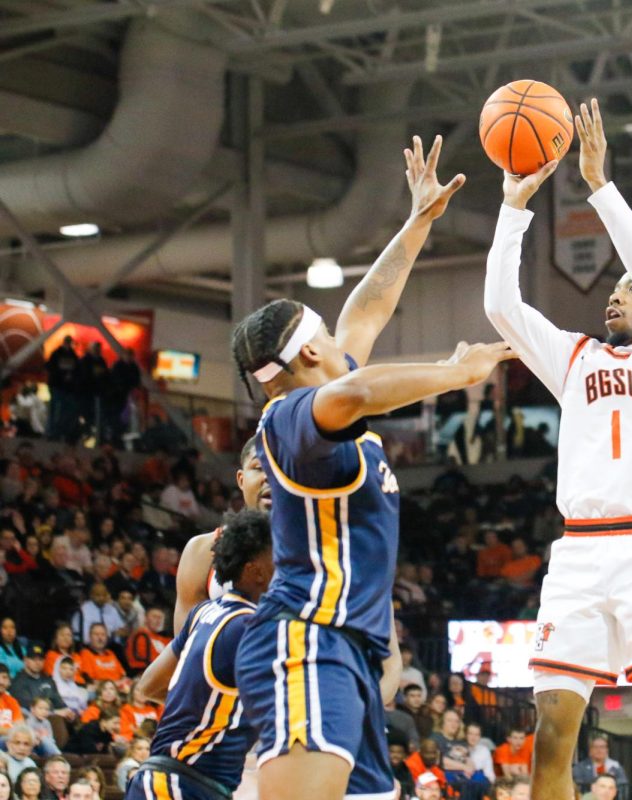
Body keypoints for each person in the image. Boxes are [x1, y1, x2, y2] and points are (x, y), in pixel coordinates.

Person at [231, 134, 511, 800]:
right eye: (320, 328)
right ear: (304, 357)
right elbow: (354, 391)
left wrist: (417, 225)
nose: (337, 331)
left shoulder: (316, 389)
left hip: (348, 650)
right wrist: (455, 371)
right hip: (307, 639)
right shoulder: (293, 417)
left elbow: (369, 309)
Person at [484, 99, 632, 800]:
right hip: (579, 552)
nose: (614, 297)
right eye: (611, 290)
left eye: (629, 290)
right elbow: (500, 306)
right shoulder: (577, 357)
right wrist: (514, 208)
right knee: (550, 735)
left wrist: (598, 183)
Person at [124, 509, 274, 800]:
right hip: (184, 784)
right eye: (278, 555)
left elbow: (149, 685)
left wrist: (207, 712)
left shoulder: (203, 612)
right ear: (255, 569)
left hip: (163, 779)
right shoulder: (250, 626)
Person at [173, 438, 272, 632]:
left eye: (280, 467)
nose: (269, 476)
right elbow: (185, 646)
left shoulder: (319, 546)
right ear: (241, 480)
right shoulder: (201, 550)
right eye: (259, 467)